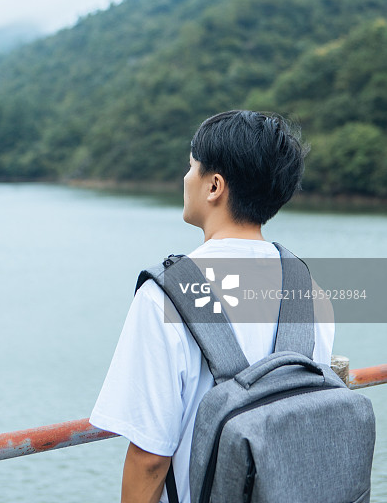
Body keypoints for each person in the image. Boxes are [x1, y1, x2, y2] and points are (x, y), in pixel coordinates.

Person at [90, 110, 335, 503]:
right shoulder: (309, 291)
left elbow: (150, 458)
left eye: (191, 167)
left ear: (214, 186)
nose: (185, 178)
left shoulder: (165, 295)